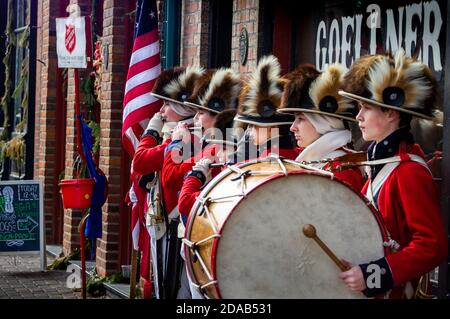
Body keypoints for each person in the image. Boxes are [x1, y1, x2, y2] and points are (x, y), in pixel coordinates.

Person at [338, 50, 448, 298]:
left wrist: (373, 274)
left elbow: (433, 246)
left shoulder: (408, 171)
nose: (358, 117)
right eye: (359, 107)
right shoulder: (382, 162)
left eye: (366, 108)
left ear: (391, 113)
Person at [161, 68, 242, 298]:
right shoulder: (210, 145)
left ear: (217, 115)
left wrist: (176, 144)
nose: (195, 119)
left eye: (200, 113)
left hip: (207, 241)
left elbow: (171, 179)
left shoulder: (215, 149)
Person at [131, 65, 205, 299]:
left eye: (166, 105)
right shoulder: (177, 134)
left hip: (174, 225)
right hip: (164, 221)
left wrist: (152, 132)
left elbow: (140, 162)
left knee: (172, 289)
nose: (161, 111)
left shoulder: (184, 138)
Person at [279, 63, 365, 191]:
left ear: (324, 123)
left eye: (301, 119)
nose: (293, 127)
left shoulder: (342, 169)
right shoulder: (318, 161)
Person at [234, 55, 300, 160]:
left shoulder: (265, 161)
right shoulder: (297, 155)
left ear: (271, 127)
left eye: (253, 126)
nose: (248, 131)